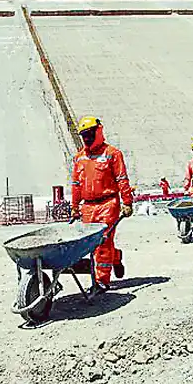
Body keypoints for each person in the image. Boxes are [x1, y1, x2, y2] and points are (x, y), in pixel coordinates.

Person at [70, 116, 134, 292]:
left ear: (98, 131)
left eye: (90, 134)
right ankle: (116, 257)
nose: (87, 138)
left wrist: (127, 202)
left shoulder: (112, 154)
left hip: (108, 204)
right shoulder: (79, 158)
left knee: (103, 241)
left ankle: (101, 281)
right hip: (87, 207)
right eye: (84, 135)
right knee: (91, 243)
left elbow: (122, 179)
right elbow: (76, 185)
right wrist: (75, 207)